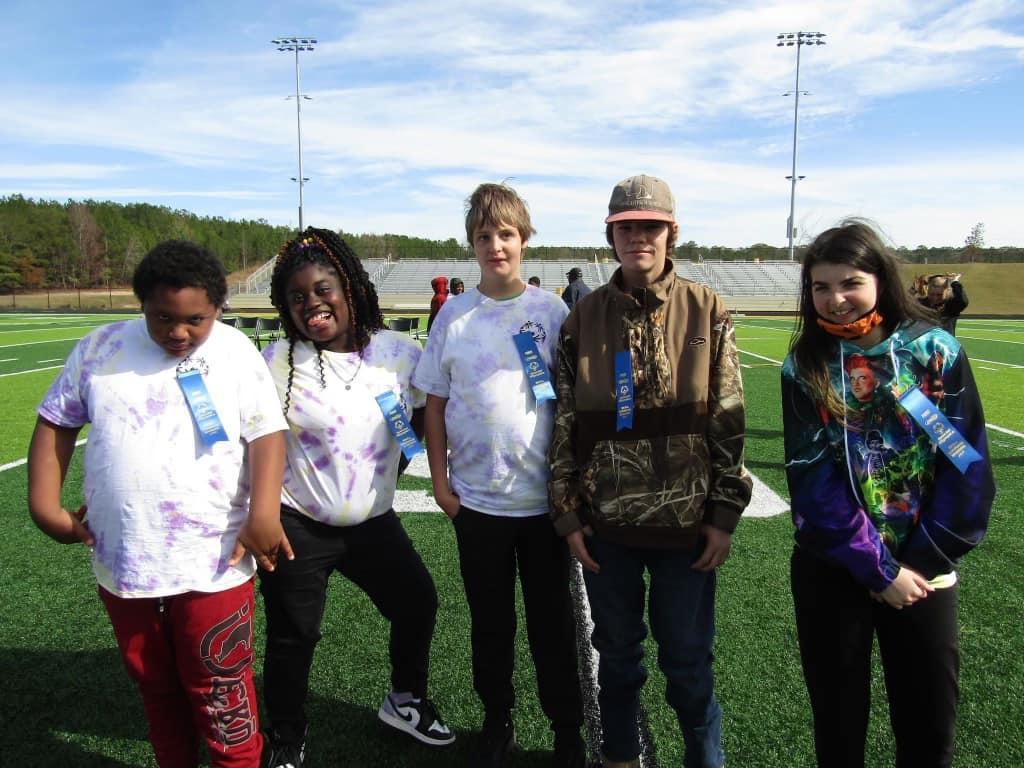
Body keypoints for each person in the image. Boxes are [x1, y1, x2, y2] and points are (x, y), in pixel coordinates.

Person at [28, 240, 289, 768]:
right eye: (162, 317)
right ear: (141, 303)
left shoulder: (235, 351)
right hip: (125, 558)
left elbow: (267, 435)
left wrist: (264, 513)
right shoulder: (100, 348)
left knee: (220, 689)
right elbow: (56, 421)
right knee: (154, 684)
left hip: (215, 559)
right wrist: (43, 506)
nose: (178, 332)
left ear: (219, 308)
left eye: (195, 319)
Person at [549, 174, 752, 768]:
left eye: (650, 226)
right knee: (617, 658)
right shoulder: (580, 320)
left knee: (688, 660)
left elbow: (728, 420)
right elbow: (565, 423)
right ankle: (617, 757)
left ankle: (703, 758)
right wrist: (566, 513)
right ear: (611, 236)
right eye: (626, 227)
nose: (639, 237)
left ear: (672, 233)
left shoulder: (708, 309)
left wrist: (723, 515)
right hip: (607, 525)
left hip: (687, 531)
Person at [782, 220, 994, 768]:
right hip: (834, 567)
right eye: (820, 287)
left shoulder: (936, 353)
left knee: (928, 731)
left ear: (880, 279)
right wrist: (878, 570)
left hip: (926, 571)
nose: (835, 300)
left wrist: (912, 568)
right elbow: (813, 480)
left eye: (850, 283)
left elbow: (966, 468)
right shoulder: (804, 365)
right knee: (838, 726)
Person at [259, 227, 453, 767]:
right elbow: (254, 443)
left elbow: (420, 415)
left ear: (350, 288)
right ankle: (287, 737)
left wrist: (396, 465)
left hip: (373, 521)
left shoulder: (397, 354)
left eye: (322, 290)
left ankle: (405, 700)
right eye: (297, 299)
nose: (311, 306)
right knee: (294, 636)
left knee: (417, 602)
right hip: (299, 522)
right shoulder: (278, 362)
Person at [414, 183, 586, 768]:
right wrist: (441, 485)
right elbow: (433, 403)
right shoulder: (455, 317)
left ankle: (566, 729)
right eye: (484, 236)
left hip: (542, 507)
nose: (495, 245)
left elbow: (570, 403)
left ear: (525, 240)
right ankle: (497, 722)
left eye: (506, 234)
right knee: (491, 626)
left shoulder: (551, 311)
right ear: (472, 244)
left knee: (552, 627)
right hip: (479, 506)